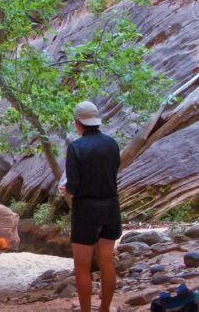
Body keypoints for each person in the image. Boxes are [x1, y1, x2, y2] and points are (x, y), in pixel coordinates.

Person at [60, 101, 122, 312]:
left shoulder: (76, 147)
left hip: (86, 209)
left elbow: (74, 186)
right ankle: (105, 309)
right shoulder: (112, 144)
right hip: (111, 206)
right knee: (106, 260)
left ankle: (86, 310)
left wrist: (66, 188)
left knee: (82, 266)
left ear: (78, 122)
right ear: (96, 120)